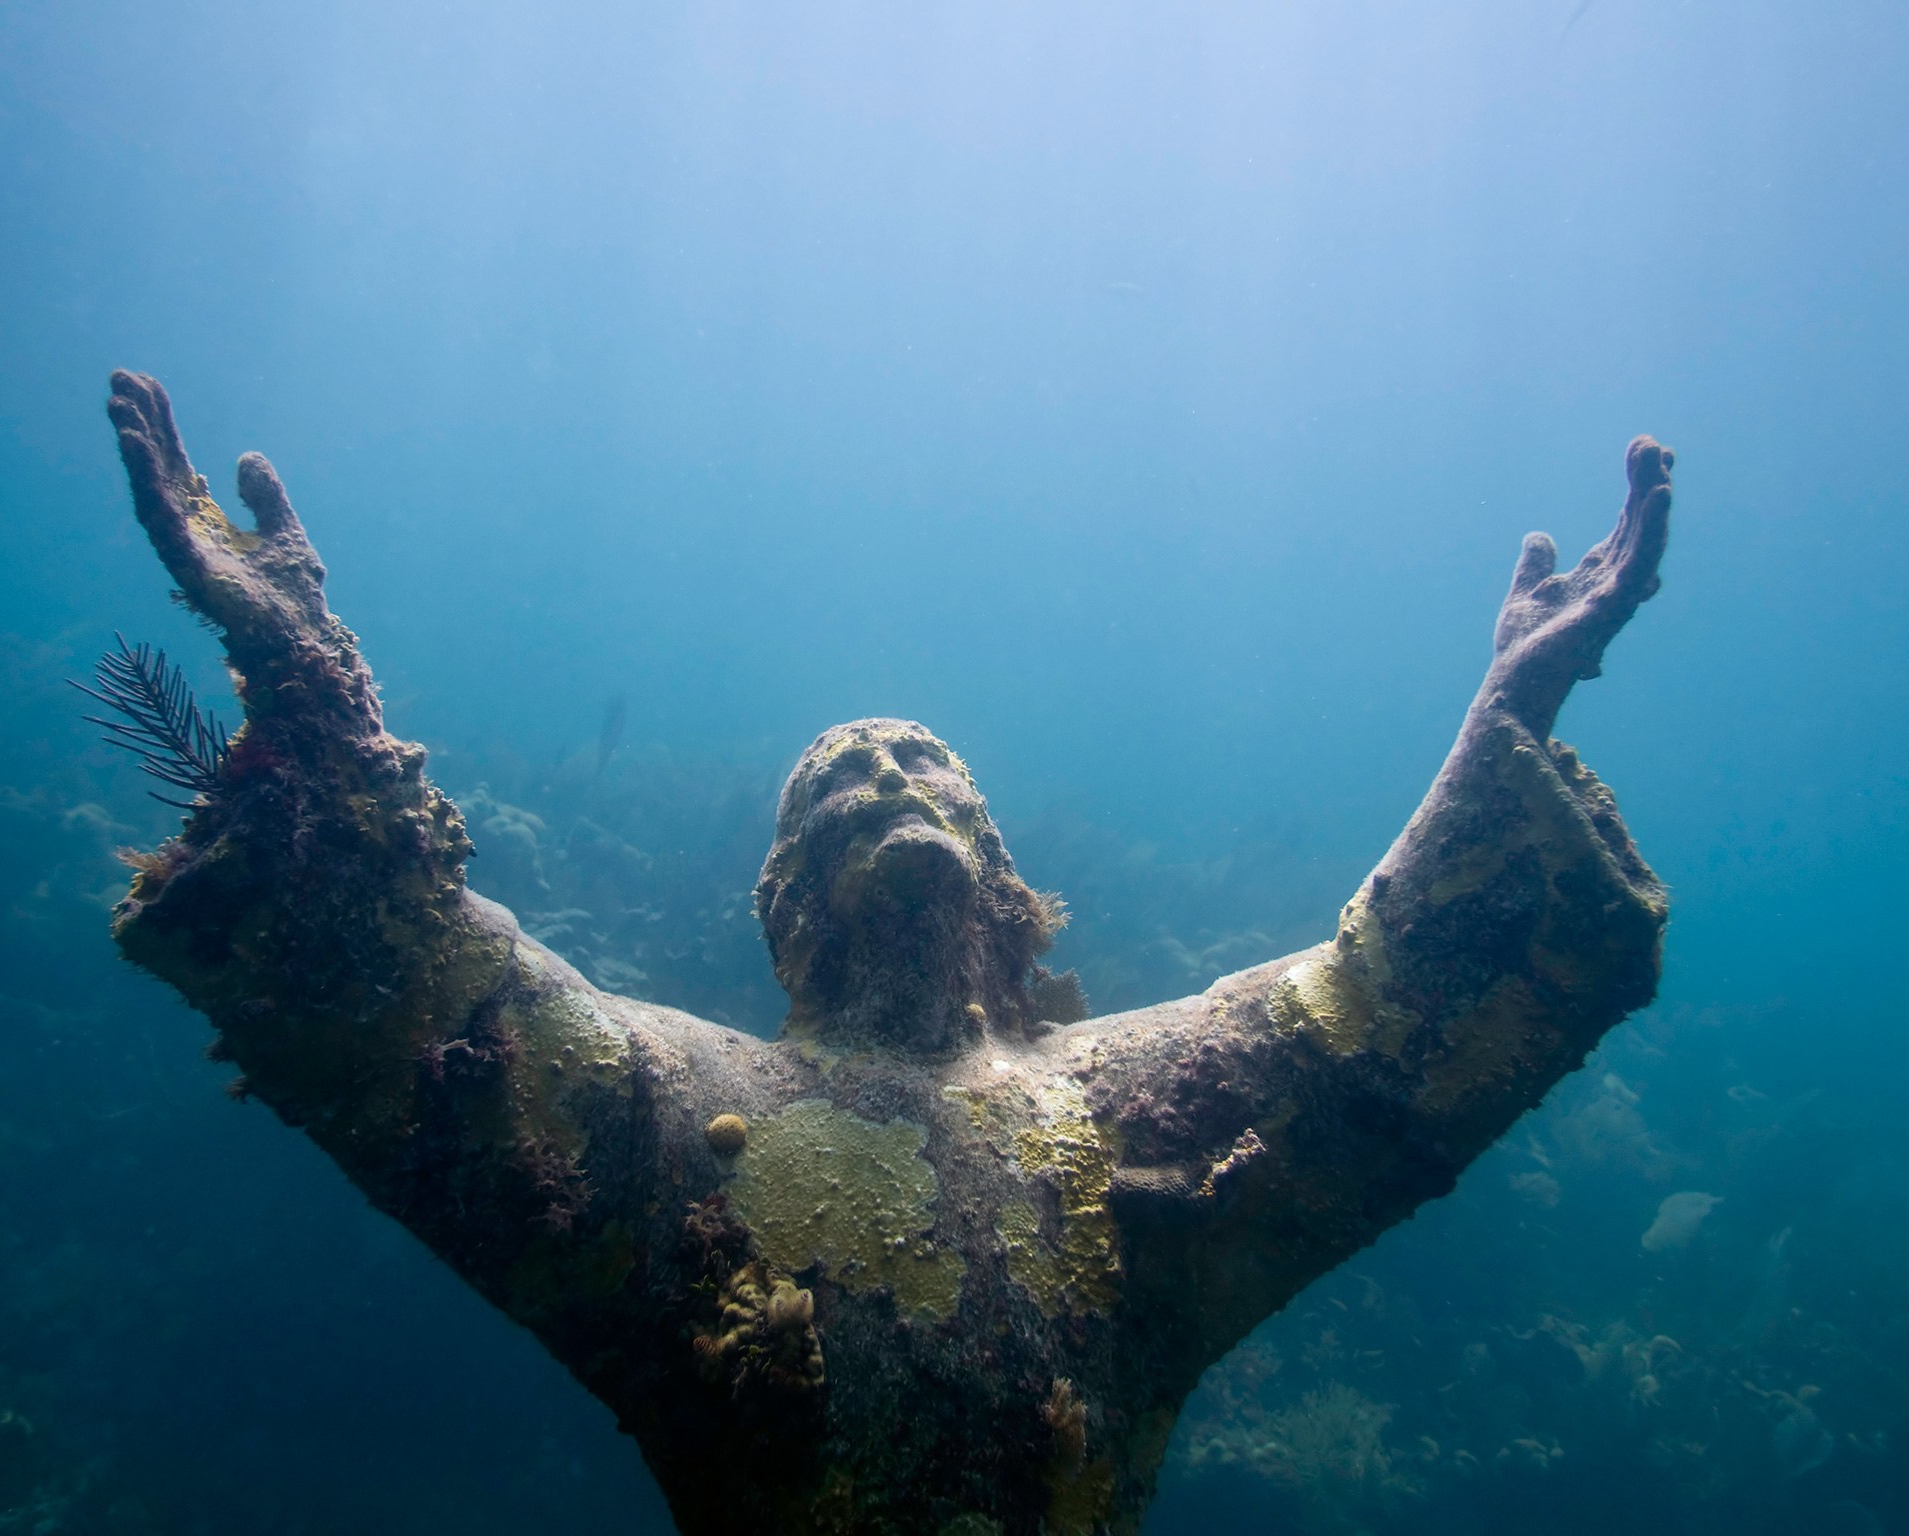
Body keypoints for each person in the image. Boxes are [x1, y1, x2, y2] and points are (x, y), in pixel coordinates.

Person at [101, 370, 1672, 1536]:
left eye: (924, 768)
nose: (883, 784)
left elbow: (1372, 1025)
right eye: (834, 786)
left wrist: (1498, 733)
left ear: (1006, 882)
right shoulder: (675, 1114)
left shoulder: (1129, 1116)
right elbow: (439, 1016)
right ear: (784, 900)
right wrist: (307, 684)